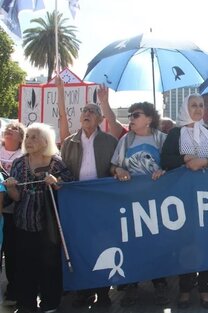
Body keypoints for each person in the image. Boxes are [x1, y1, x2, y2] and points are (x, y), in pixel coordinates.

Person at [161, 93, 208, 310]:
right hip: (183, 196)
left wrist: (205, 161)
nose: (198, 109)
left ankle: (205, 290)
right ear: (185, 108)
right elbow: (165, 159)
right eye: (193, 105)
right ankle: (185, 289)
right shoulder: (176, 133)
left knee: (206, 241)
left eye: (200, 105)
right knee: (187, 242)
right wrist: (185, 159)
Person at [3, 123, 73, 313]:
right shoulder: (19, 163)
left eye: (34, 137)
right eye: (28, 137)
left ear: (45, 141)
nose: (29, 140)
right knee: (25, 266)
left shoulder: (56, 162)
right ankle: (26, 304)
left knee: (49, 266)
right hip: (23, 224)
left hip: (49, 226)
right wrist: (10, 187)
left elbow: (70, 188)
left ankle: (50, 303)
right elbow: (17, 197)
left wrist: (57, 182)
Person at [110, 101, 168, 307]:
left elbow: (173, 167)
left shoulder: (163, 139)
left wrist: (165, 171)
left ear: (149, 119)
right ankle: (132, 285)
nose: (131, 118)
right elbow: (113, 165)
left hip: (157, 203)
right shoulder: (126, 140)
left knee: (157, 242)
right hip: (131, 201)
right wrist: (119, 171)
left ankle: (160, 283)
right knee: (132, 243)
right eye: (130, 115)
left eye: (136, 115)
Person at [60, 103, 118, 309]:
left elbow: (114, 165)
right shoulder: (69, 142)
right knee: (79, 247)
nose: (87, 114)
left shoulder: (110, 141)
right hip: (76, 204)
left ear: (101, 119)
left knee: (102, 246)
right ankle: (83, 292)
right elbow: (63, 170)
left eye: (92, 111)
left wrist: (116, 170)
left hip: (102, 203)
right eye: (84, 111)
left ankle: (103, 292)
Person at [0, 121, 25, 306]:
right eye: (9, 128)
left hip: (12, 211)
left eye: (15, 129)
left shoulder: (24, 156)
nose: (10, 130)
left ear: (21, 137)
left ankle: (14, 290)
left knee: (12, 251)